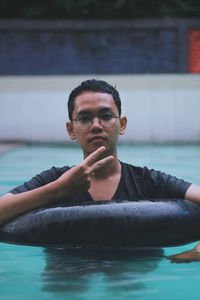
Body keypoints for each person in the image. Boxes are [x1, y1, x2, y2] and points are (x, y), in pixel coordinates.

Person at [0, 79, 200, 261]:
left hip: (132, 271)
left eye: (106, 116)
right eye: (84, 118)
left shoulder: (148, 181)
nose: (96, 126)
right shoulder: (54, 179)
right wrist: (57, 190)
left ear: (121, 124)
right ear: (71, 130)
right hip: (67, 271)